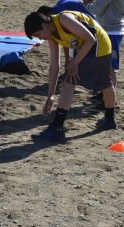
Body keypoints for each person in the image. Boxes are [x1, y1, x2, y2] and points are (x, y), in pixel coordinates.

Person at [23, 9, 117, 141]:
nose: (40, 38)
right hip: (102, 45)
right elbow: (54, 65)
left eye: (38, 34)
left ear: (44, 25)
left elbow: (90, 39)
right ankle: (109, 120)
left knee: (68, 81)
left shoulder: (64, 19)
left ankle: (57, 128)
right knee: (105, 82)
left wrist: (74, 63)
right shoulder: (51, 35)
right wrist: (50, 95)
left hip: (97, 44)